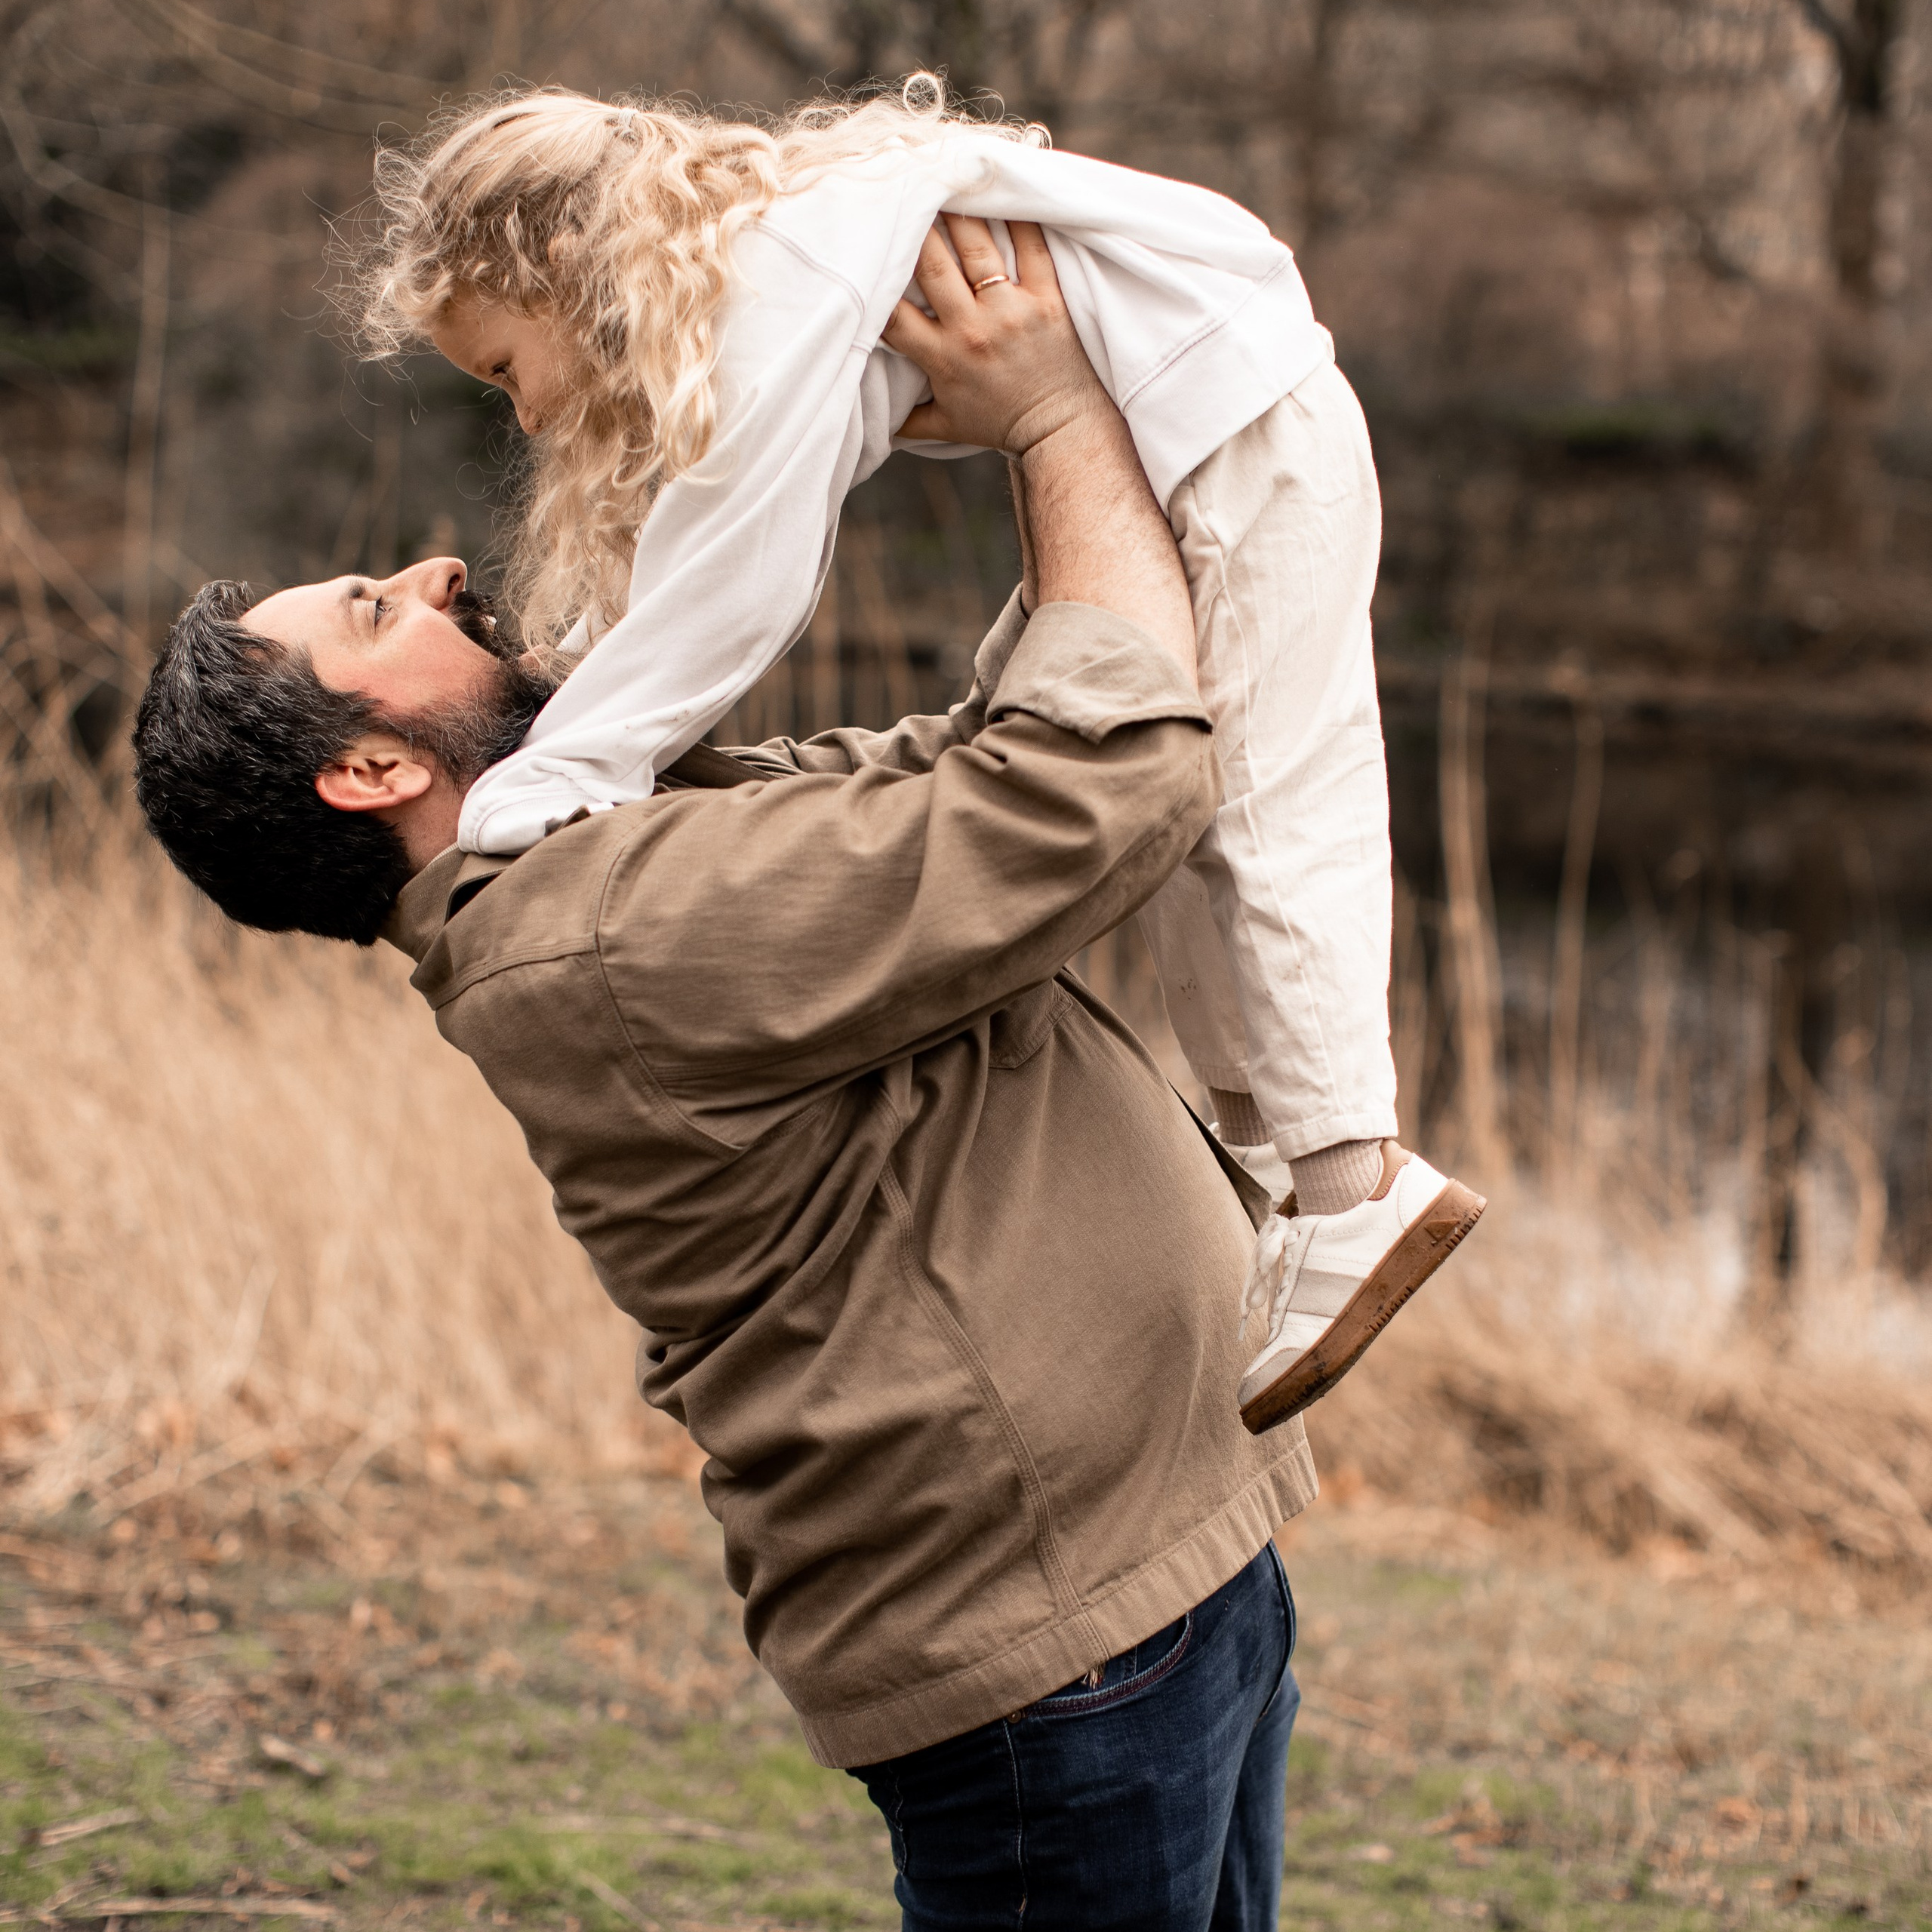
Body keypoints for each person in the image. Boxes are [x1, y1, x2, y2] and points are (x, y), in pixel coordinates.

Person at [139, 212, 1303, 1929]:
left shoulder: (616, 836)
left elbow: (990, 756)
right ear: (372, 761)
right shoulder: (596, 933)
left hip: (1164, 1565)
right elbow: (1098, 789)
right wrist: (1057, 423)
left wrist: (1015, 423)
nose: (441, 571)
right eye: (381, 608)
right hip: (1050, 1653)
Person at [348, 83, 1484, 1433]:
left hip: (1243, 431)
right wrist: (589, 686)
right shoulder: (765, 260)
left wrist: (556, 776)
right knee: (1204, 840)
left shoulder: (781, 271)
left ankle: (1356, 1182)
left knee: (1274, 805)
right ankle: (1265, 1165)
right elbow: (700, 544)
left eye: (500, 369)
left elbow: (741, 578)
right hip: (1215, 422)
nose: (523, 417)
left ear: (559, 273)